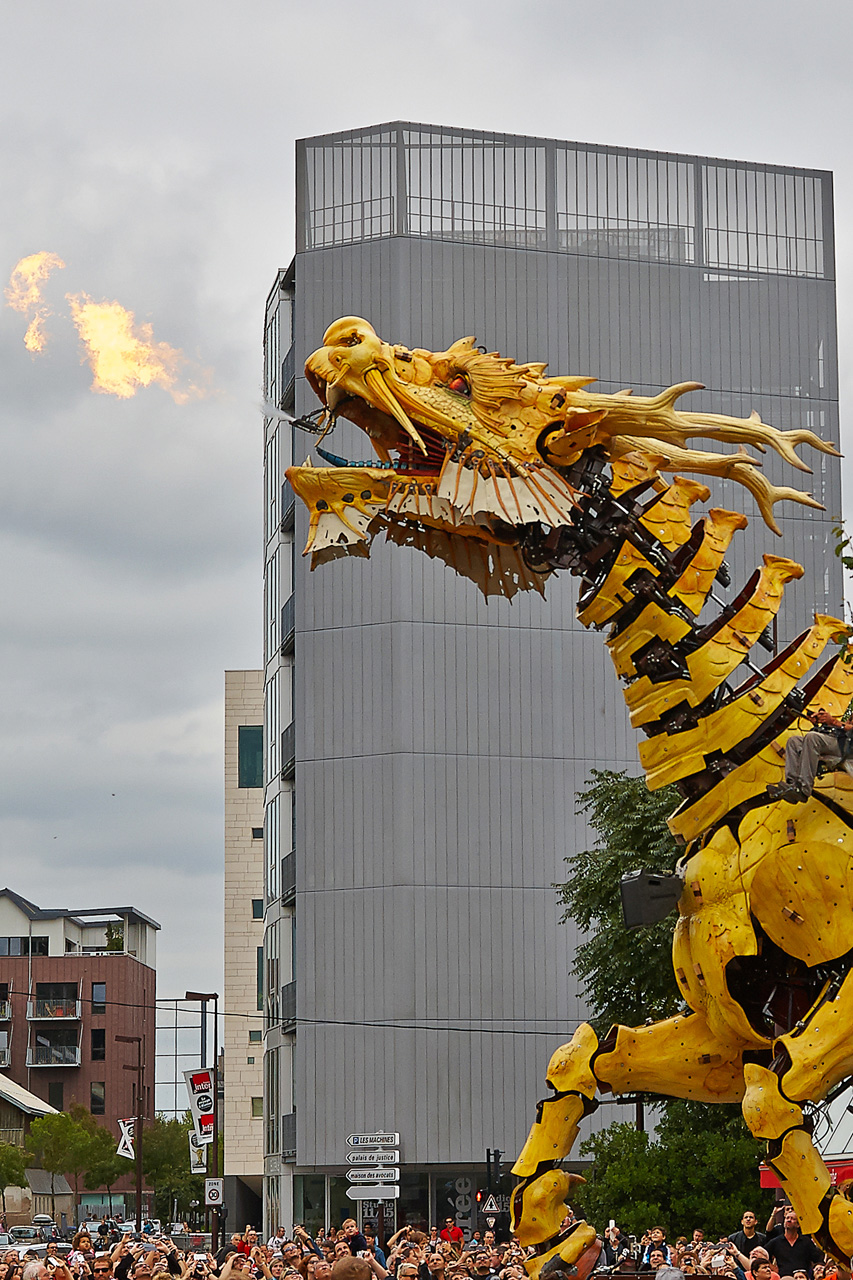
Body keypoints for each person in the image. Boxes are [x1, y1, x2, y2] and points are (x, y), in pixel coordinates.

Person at [768, 709, 853, 803]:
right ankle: (792, 786)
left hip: (846, 750)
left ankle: (804, 789)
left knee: (812, 738)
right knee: (794, 742)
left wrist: (833, 721)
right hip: (837, 743)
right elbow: (843, 730)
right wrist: (821, 722)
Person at [764, 1208, 823, 1278]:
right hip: (783, 1277)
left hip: (802, 1277)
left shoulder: (806, 1242)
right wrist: (773, 1268)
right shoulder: (776, 1242)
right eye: (787, 1218)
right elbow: (762, 1255)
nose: (789, 1220)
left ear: (798, 1225)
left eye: (793, 1219)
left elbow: (818, 1259)